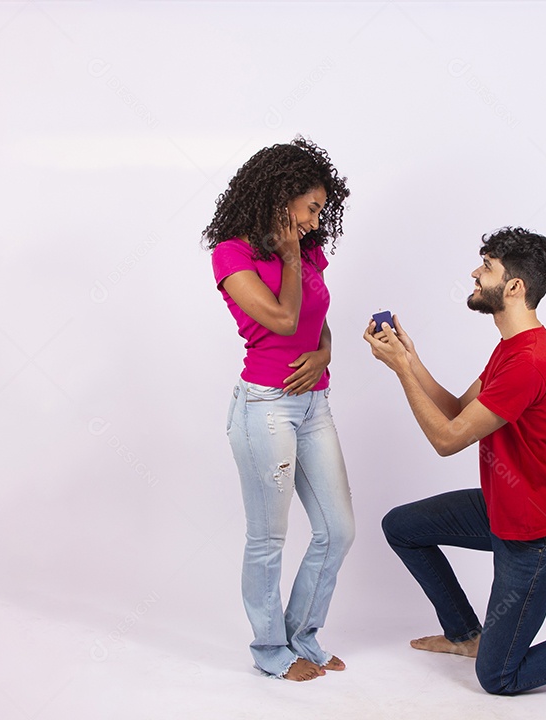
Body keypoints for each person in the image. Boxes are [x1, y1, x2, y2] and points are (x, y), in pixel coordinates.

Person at [363, 227, 546, 695]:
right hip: (503, 508)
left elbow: (447, 440)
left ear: (515, 286)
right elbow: (459, 411)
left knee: (499, 677)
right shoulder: (511, 348)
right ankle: (467, 635)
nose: (475, 274)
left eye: (486, 267)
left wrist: (400, 372)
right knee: (402, 526)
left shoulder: (530, 361)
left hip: (539, 537)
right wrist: (411, 358)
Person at [204, 137, 354, 682]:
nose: (316, 222)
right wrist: (290, 257)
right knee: (268, 537)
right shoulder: (232, 254)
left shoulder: (309, 251)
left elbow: (317, 317)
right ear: (281, 196)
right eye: (311, 208)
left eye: (321, 211)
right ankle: (270, 650)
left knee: (337, 530)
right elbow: (284, 320)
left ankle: (302, 635)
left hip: (314, 404)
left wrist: (327, 353)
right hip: (264, 408)